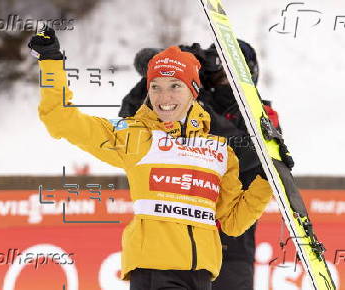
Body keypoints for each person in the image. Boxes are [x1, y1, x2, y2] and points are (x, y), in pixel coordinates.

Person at [28, 27, 273, 290]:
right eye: (155, 87)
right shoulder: (136, 137)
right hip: (155, 274)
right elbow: (59, 118)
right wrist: (51, 63)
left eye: (175, 86)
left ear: (194, 91)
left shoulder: (218, 150)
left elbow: (233, 221)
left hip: (201, 277)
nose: (163, 97)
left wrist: (268, 181)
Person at [119, 41, 283, 290]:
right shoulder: (185, 104)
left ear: (250, 74)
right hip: (180, 242)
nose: (225, 80)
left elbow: (253, 156)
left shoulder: (260, 113)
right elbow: (130, 122)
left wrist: (201, 107)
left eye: (233, 74)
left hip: (232, 239)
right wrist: (161, 72)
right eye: (219, 72)